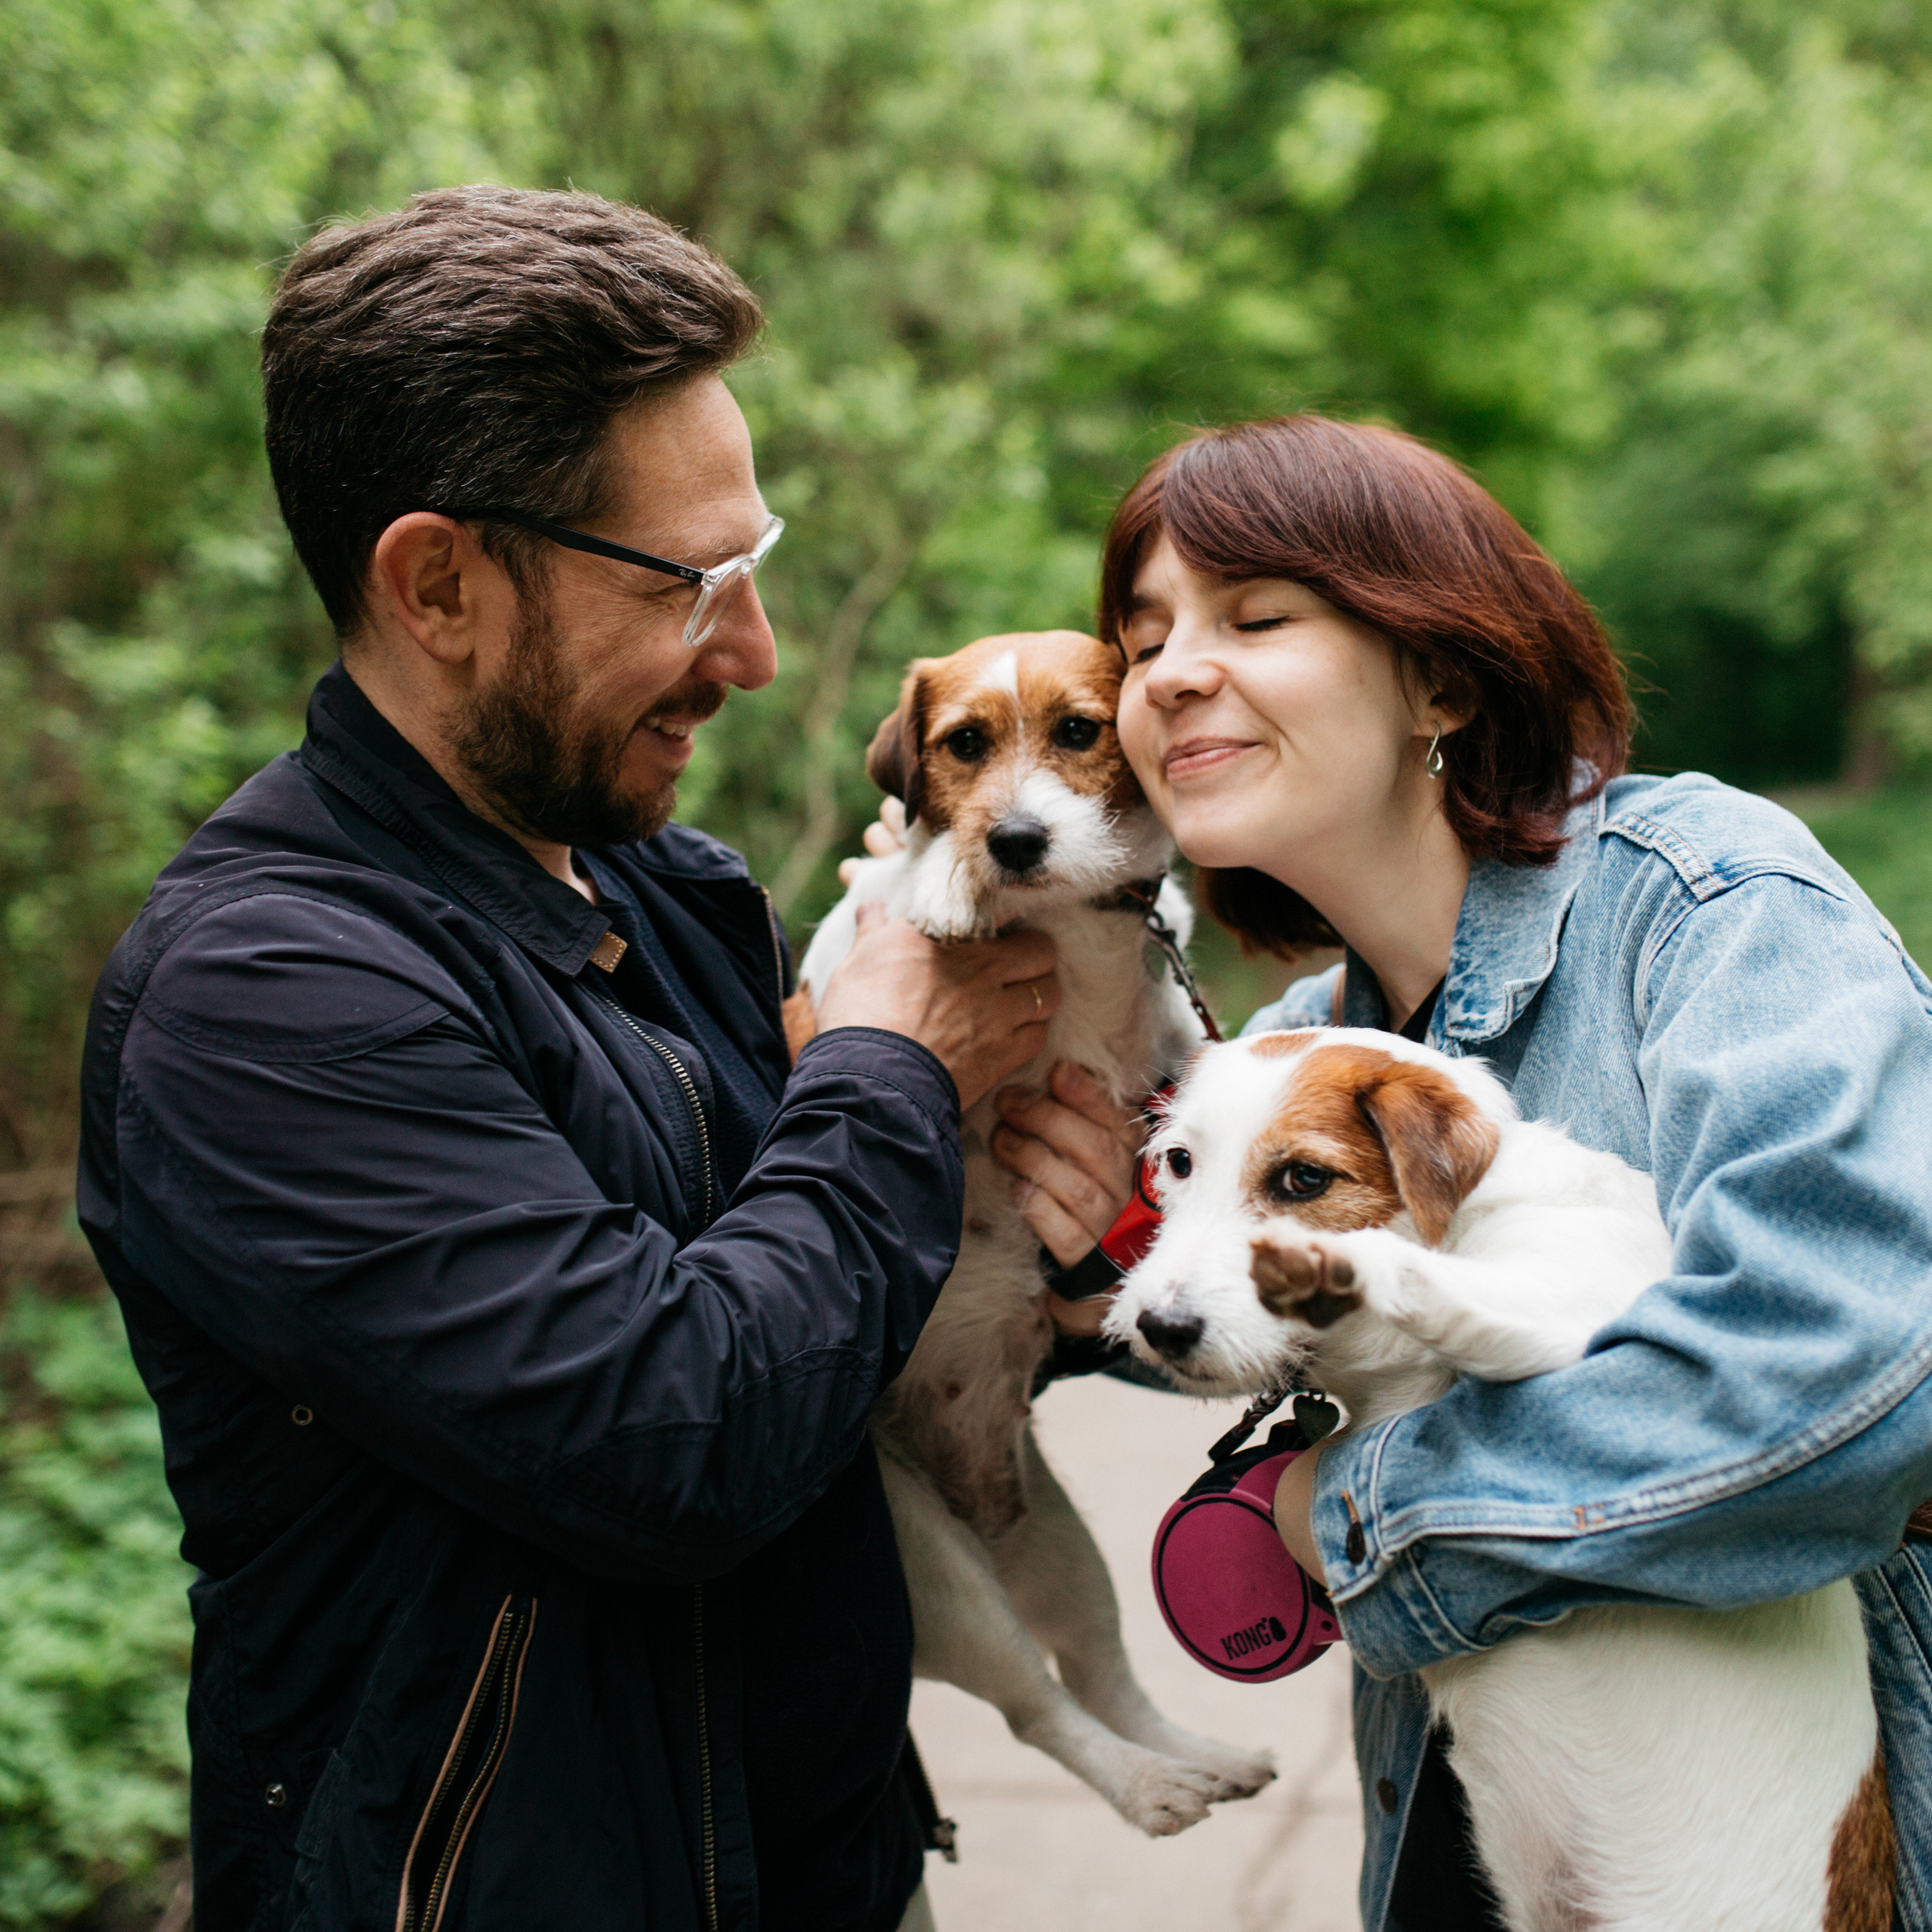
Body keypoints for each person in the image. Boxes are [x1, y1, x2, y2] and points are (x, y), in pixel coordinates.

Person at [75, 185, 1063, 1932]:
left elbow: (840, 1341)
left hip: (834, 1867)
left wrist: (1071, 1233)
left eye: (752, 573)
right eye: (691, 586)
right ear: (438, 582)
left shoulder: (671, 892)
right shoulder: (263, 995)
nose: (751, 658)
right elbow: (674, 1433)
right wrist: (892, 1073)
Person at [979, 415, 1932, 1929]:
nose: (1164, 673)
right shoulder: (1298, 1047)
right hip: (1463, 1841)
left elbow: (1839, 1379)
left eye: (1253, 617)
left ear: (1437, 673)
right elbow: (1198, 1332)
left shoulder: (1707, 909)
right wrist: (1082, 1259)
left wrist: (1346, 1514)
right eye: (1142, 636)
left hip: (1771, 1856)